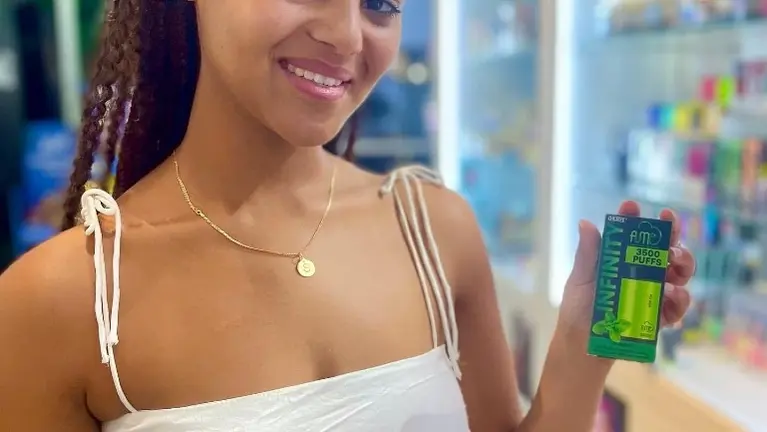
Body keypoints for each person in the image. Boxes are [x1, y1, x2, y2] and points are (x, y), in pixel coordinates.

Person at [0, 1, 694, 431]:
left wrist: (580, 353)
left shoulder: (434, 230)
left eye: (380, 3)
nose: (346, 36)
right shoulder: (60, 303)